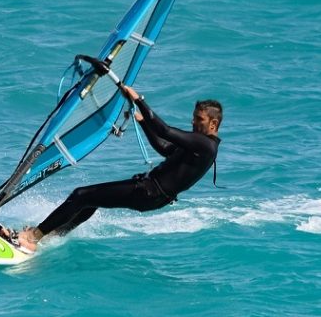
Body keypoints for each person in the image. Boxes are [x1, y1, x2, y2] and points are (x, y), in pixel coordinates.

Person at [14, 84, 222, 252]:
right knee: (90, 201)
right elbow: (165, 148)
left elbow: (165, 131)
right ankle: (54, 234)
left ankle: (34, 236)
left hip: (148, 192)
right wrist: (142, 122)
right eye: (194, 117)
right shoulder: (200, 145)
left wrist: (138, 99)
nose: (193, 122)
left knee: (81, 195)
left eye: (199, 119)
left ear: (213, 123)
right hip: (151, 194)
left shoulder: (205, 144)